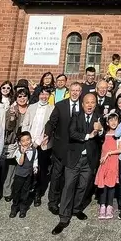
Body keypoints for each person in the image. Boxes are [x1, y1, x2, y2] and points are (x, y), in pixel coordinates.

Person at [52, 92, 105, 235]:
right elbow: (72, 133)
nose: (90, 105)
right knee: (68, 187)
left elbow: (102, 137)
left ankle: (76, 209)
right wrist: (89, 135)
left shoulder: (98, 118)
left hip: (89, 160)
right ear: (82, 104)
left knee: (83, 186)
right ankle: (64, 218)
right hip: (74, 158)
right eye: (87, 102)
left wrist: (99, 130)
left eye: (92, 102)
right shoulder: (75, 116)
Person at [45, 81, 80, 214]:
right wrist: (46, 134)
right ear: (69, 91)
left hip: (75, 148)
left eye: (77, 90)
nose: (75, 93)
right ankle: (53, 202)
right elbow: (51, 122)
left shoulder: (82, 106)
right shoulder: (60, 105)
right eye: (73, 90)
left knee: (69, 178)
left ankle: (66, 201)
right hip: (60, 147)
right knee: (56, 176)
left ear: (80, 92)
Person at [22, 86, 53, 207]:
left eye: (46, 94)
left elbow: (50, 128)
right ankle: (26, 191)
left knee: (41, 170)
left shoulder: (52, 109)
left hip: (43, 144)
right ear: (38, 95)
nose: (44, 97)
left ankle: (37, 193)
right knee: (29, 168)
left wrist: (39, 141)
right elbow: (26, 124)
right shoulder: (32, 107)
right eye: (42, 94)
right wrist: (26, 140)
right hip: (29, 142)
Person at [2, 88, 30, 201]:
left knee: (24, 167)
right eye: (19, 96)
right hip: (14, 142)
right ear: (16, 98)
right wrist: (13, 118)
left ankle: (20, 190)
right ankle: (7, 191)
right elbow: (8, 128)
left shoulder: (31, 109)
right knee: (11, 168)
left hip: (27, 142)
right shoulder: (11, 110)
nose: (22, 98)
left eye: (24, 96)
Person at [94, 112, 121, 219]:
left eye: (115, 120)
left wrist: (109, 153)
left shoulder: (119, 135)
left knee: (111, 186)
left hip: (113, 163)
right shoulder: (104, 134)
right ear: (107, 122)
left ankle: (109, 206)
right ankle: (102, 206)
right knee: (103, 185)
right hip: (104, 163)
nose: (113, 122)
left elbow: (120, 149)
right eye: (111, 120)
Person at [9, 131, 37, 219]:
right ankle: (14, 208)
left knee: (25, 192)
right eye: (23, 141)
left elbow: (35, 160)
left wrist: (35, 168)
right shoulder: (18, 151)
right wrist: (23, 153)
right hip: (19, 175)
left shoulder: (34, 150)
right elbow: (20, 163)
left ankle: (23, 209)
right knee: (16, 192)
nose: (26, 142)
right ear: (20, 143)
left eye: (28, 139)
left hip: (28, 175)